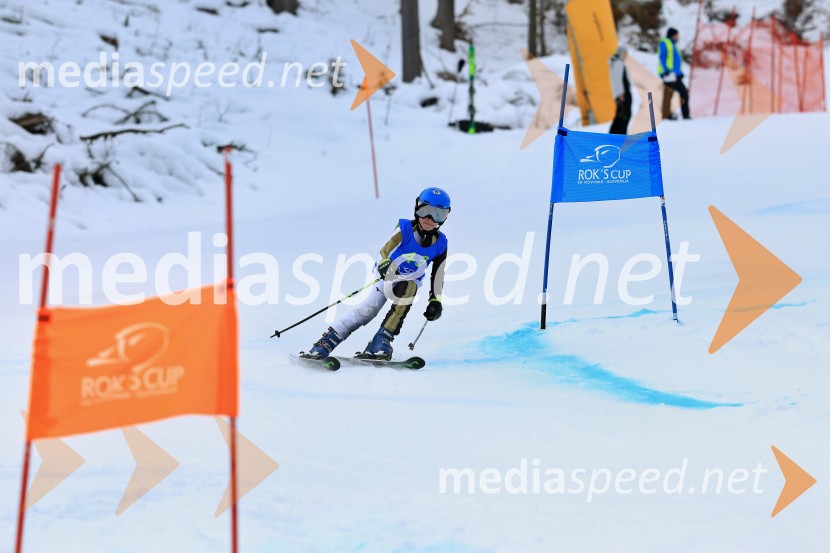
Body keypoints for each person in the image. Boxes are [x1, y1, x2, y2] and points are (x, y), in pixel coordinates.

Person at [305, 187, 450, 361]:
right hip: (388, 275)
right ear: (416, 208)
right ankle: (325, 343)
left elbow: (438, 274)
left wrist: (435, 301)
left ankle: (381, 341)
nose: (430, 219)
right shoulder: (404, 229)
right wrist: (384, 264)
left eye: (438, 214)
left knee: (409, 288)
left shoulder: (441, 243)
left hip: (408, 283)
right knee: (368, 310)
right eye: (425, 211)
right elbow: (384, 251)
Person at [658, 27, 690, 120]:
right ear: (672, 35)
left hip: (675, 75)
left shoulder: (674, 45)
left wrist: (679, 73)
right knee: (668, 95)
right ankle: (667, 115)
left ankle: (685, 115)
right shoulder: (665, 43)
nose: (678, 37)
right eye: (676, 35)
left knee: (683, 94)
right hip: (668, 74)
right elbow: (662, 57)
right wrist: (666, 71)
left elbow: (676, 61)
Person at [608, 45, 632, 134]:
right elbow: (617, 79)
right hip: (623, 94)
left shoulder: (617, 62)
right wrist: (621, 94)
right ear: (620, 53)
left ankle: (614, 134)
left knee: (620, 114)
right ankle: (621, 135)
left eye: (626, 53)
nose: (626, 55)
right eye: (624, 53)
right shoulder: (618, 63)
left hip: (622, 93)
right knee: (625, 114)